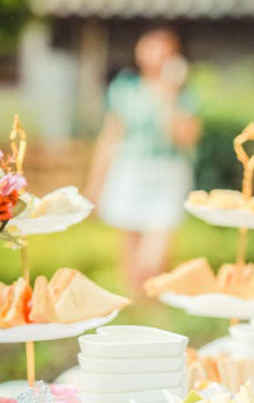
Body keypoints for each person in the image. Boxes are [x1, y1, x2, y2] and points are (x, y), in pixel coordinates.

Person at [85, 28, 201, 293]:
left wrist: (169, 95)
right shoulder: (126, 89)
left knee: (153, 260)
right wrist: (95, 184)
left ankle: (154, 305)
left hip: (168, 173)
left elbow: (185, 138)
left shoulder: (184, 95)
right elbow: (110, 137)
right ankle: (138, 312)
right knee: (129, 253)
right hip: (130, 170)